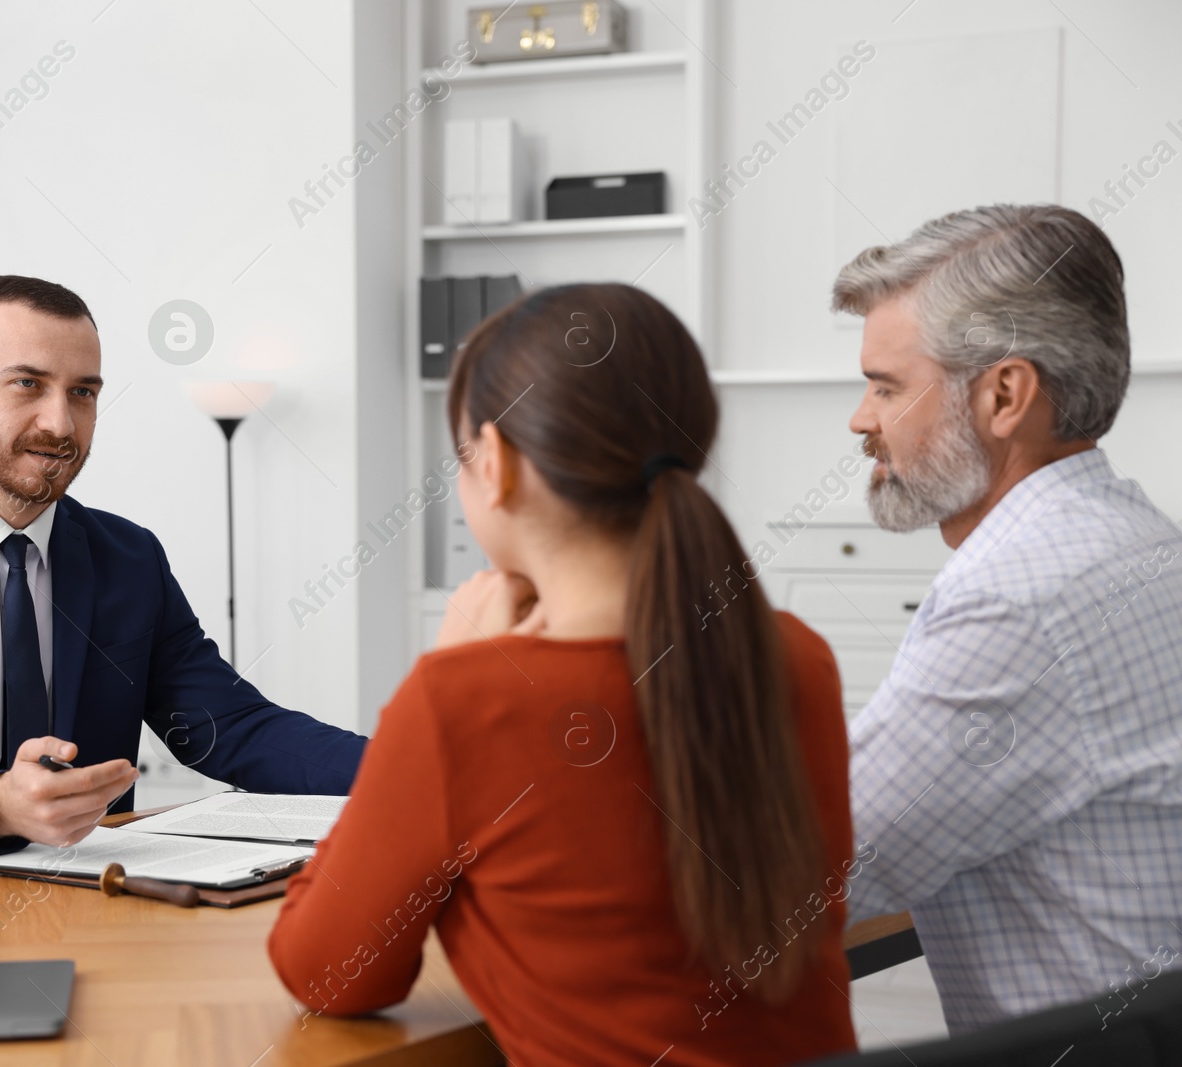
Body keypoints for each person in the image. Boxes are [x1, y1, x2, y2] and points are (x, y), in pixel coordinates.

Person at [268, 283, 858, 1067]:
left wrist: (451, 665)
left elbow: (328, 973)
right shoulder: (796, 657)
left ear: (498, 464)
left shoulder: (461, 700)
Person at [0, 276, 366, 863]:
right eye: (27, 383)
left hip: (86, 899)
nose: (60, 423)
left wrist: (415, 769)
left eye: (83, 392)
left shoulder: (129, 558)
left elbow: (230, 728)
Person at [834, 204, 1182, 1032]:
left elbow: (805, 875)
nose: (861, 418)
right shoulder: (1141, 541)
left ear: (1004, 395)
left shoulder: (1019, 601)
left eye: (886, 385)